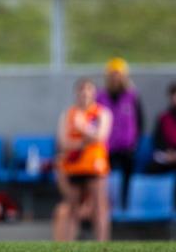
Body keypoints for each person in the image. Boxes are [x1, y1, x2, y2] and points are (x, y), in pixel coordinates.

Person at [53, 77, 112, 241]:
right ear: (76, 93)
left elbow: (101, 136)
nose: (85, 93)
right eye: (81, 90)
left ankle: (102, 245)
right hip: (74, 165)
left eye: (88, 89)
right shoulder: (69, 114)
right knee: (72, 209)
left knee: (99, 207)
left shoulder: (101, 113)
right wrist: (86, 142)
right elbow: (64, 143)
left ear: (94, 93)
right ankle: (70, 244)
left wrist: (82, 128)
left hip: (94, 166)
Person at [96, 57, 143, 207]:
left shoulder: (132, 96)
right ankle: (104, 204)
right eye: (112, 74)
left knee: (128, 176)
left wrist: (135, 141)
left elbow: (140, 119)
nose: (115, 78)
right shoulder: (100, 97)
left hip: (126, 145)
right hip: (106, 145)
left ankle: (126, 204)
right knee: (102, 178)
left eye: (118, 74)